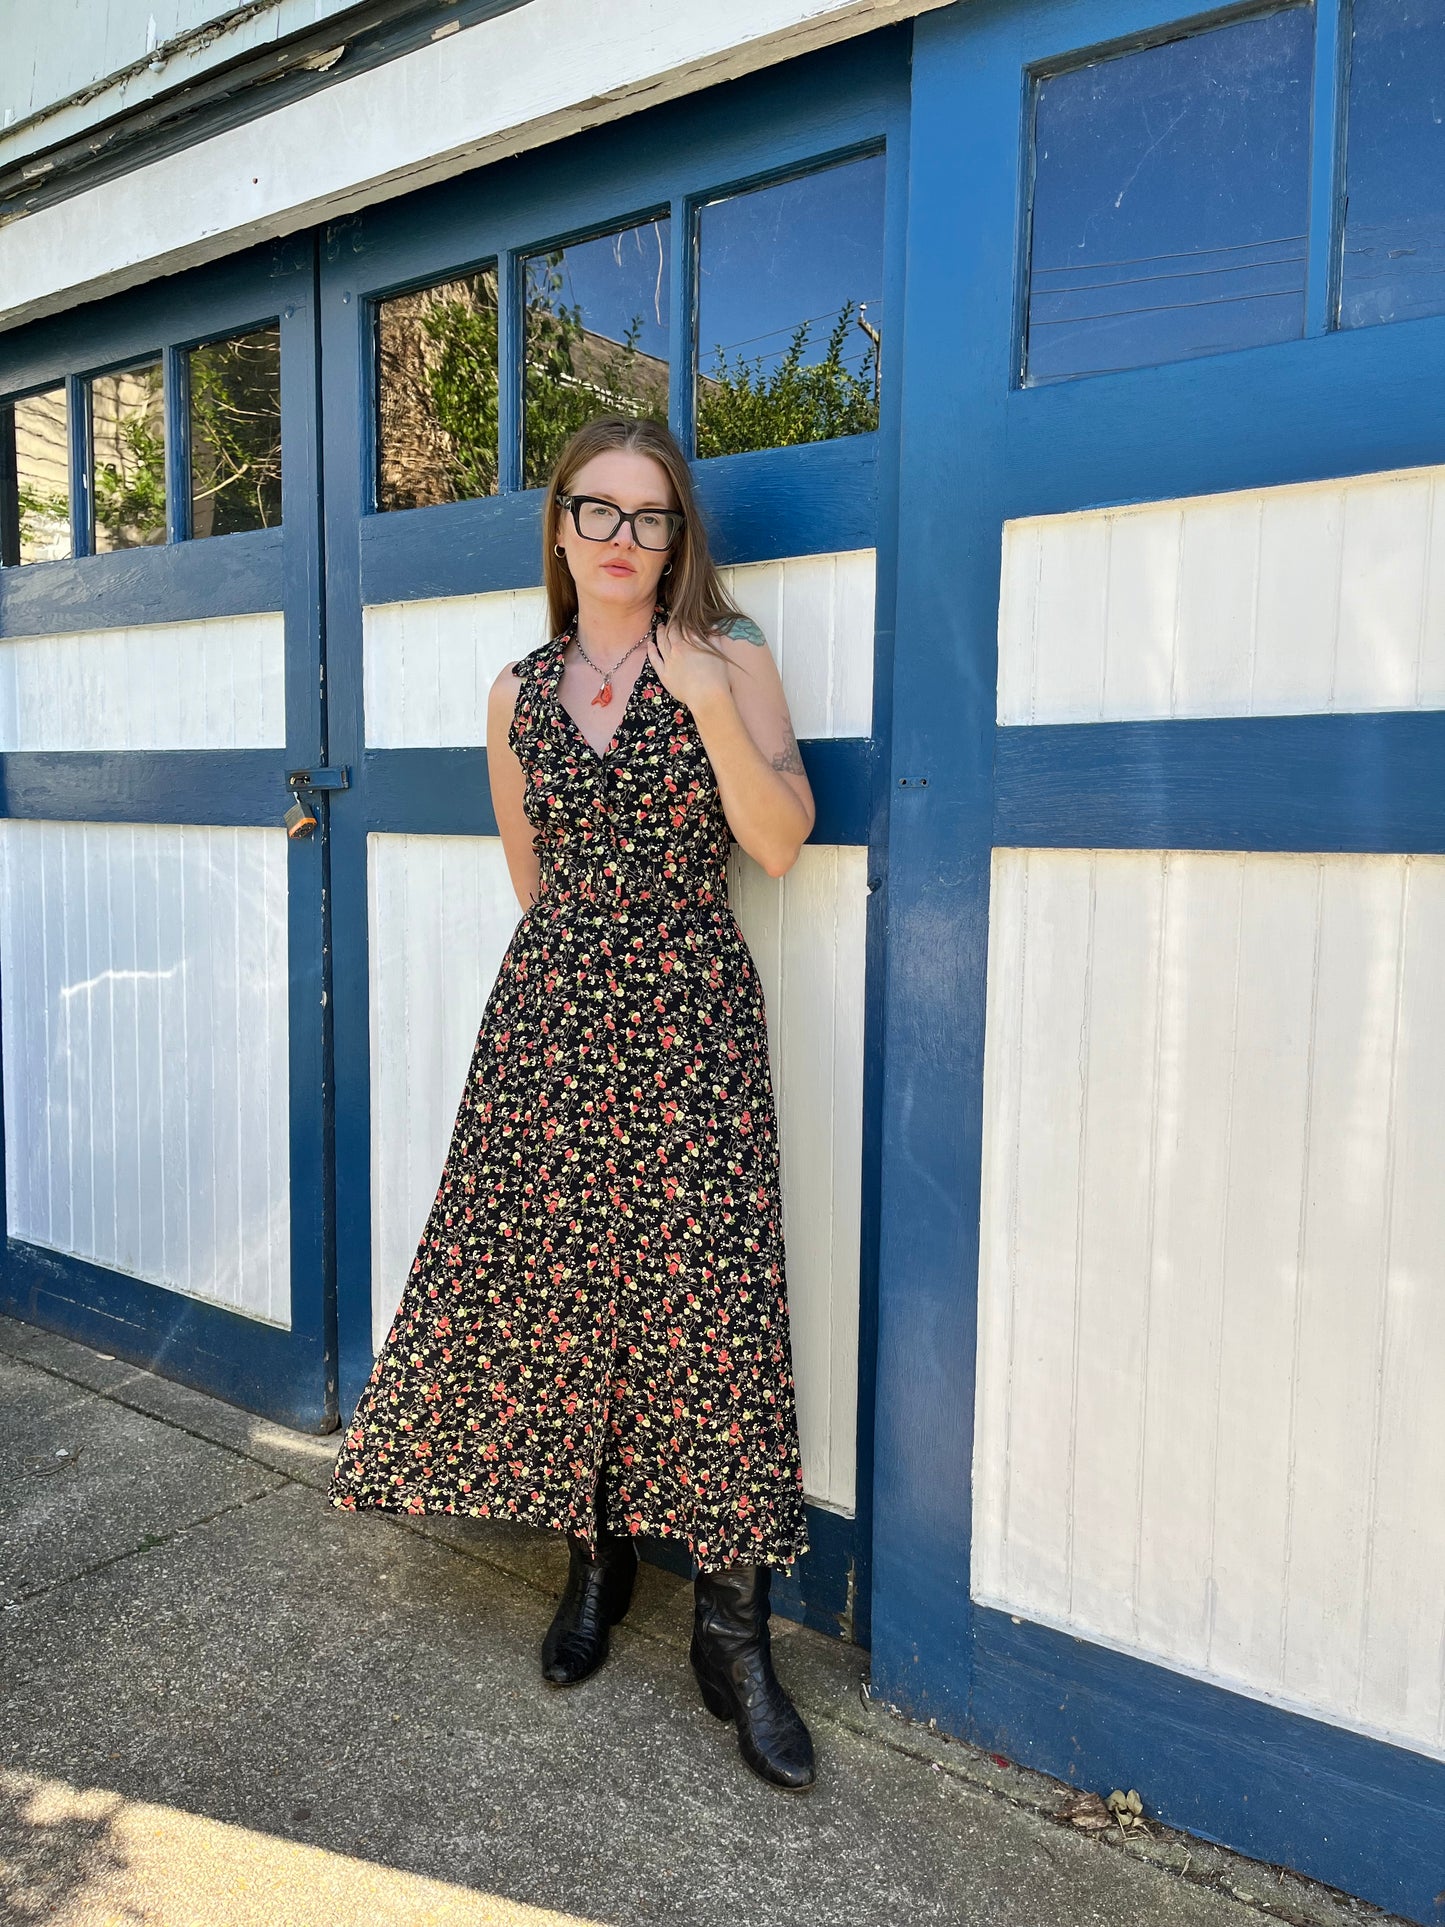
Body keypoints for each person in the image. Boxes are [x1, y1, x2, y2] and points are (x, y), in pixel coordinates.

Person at [327, 412, 818, 1792]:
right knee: (559, 1291)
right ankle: (590, 1568)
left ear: (678, 540)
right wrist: (578, 982)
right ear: (558, 529)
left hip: (692, 1020)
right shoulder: (515, 688)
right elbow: (530, 875)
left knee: (707, 1309)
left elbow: (780, 842)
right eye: (595, 511)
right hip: (548, 1017)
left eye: (648, 516)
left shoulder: (732, 658)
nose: (620, 537)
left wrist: (710, 706)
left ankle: (734, 1637)